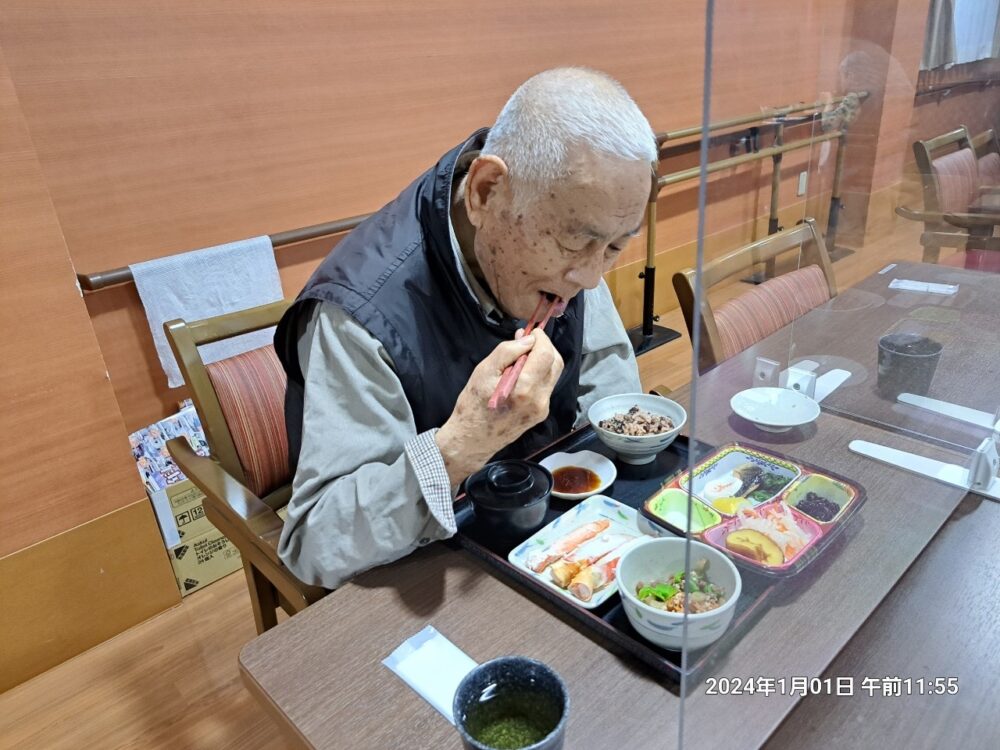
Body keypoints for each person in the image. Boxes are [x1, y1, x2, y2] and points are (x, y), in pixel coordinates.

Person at [274, 68, 657, 588]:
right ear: (485, 190)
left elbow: (607, 389)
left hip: (540, 532)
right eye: (574, 241)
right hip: (421, 573)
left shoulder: (568, 241)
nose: (590, 277)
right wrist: (460, 446)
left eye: (614, 247)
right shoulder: (361, 313)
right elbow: (316, 544)